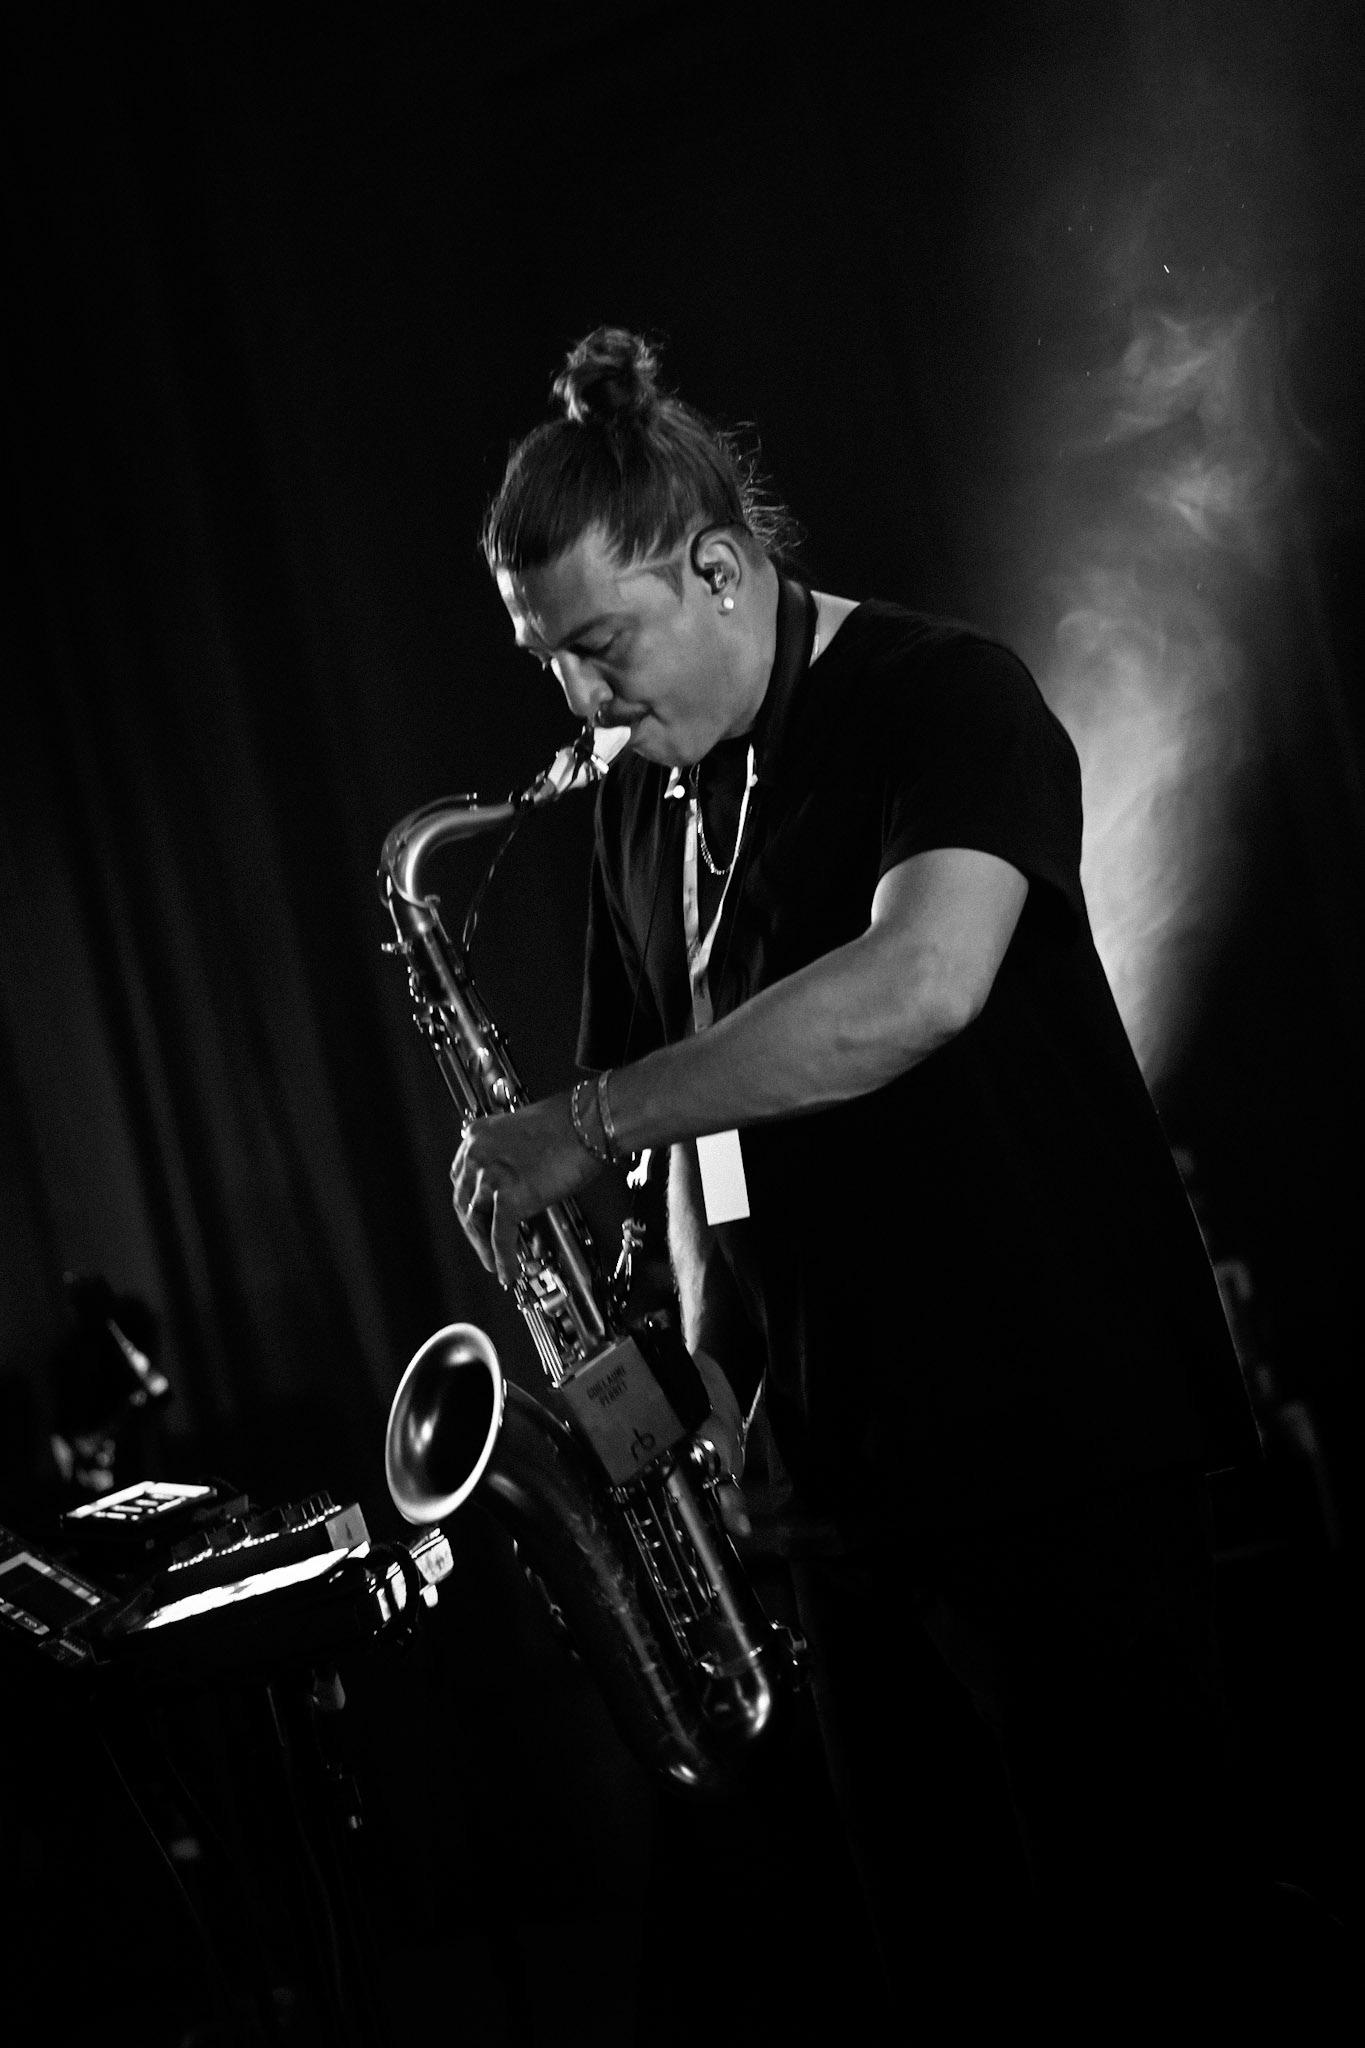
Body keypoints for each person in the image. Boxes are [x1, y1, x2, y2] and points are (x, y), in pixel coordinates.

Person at [450, 328, 1280, 2025]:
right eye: (550, 666)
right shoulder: (637, 805)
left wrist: (589, 1124)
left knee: (1154, 1949)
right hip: (831, 1490)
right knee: (940, 1972)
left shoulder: (941, 697)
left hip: (1053, 1446)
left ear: (720, 566)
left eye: (602, 649)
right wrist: (655, 1354)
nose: (585, 707)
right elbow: (666, 1125)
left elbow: (914, 992)